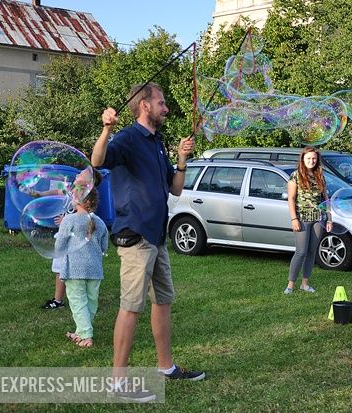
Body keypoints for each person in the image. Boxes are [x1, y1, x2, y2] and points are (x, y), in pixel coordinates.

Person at [92, 82, 202, 402]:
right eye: (162, 102)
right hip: (136, 235)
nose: (166, 108)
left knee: (163, 300)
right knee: (130, 307)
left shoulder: (157, 142)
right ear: (145, 106)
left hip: (157, 235)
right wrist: (106, 129)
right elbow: (98, 161)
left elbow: (176, 189)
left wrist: (181, 159)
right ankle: (117, 382)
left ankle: (165, 367)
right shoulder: (126, 138)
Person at [37, 169, 103, 310]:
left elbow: (85, 220)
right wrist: (40, 194)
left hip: (71, 240)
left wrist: (65, 221)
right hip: (66, 235)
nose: (78, 174)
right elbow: (57, 192)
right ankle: (60, 298)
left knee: (62, 268)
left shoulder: (85, 196)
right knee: (60, 269)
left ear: (89, 182)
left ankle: (59, 300)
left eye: (81, 173)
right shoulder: (74, 191)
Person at [56, 188, 108, 348]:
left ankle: (86, 336)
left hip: (74, 269)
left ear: (78, 201)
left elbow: (60, 244)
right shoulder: (100, 222)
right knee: (91, 301)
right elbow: (104, 246)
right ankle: (81, 331)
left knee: (78, 302)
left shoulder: (69, 220)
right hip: (95, 269)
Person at [285, 147, 332, 294]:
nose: (311, 161)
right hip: (302, 218)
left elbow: (326, 199)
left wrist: (329, 219)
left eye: (314, 158)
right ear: (303, 160)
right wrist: (294, 219)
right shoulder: (295, 176)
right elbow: (291, 199)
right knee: (301, 252)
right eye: (308, 158)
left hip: (318, 219)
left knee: (311, 252)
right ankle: (290, 286)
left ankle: (305, 284)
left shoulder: (320, 175)